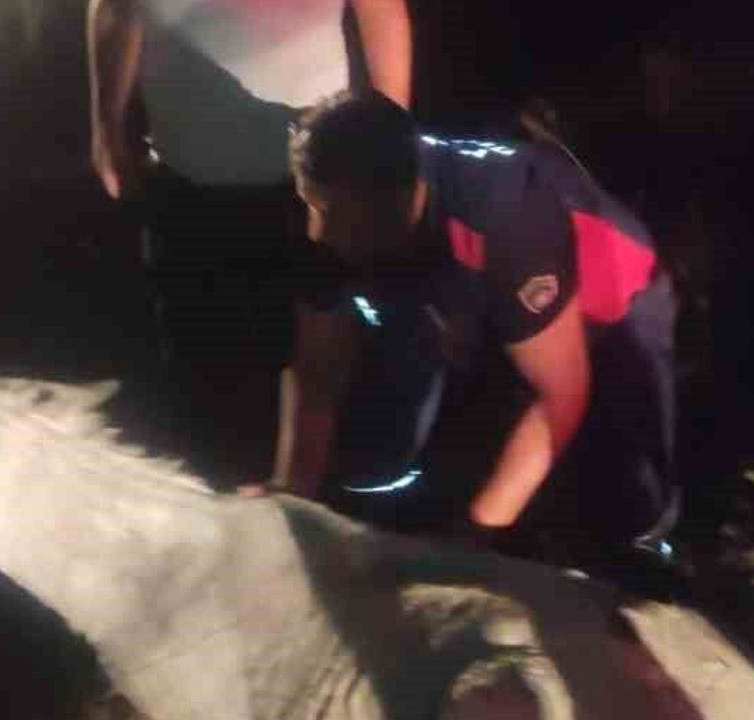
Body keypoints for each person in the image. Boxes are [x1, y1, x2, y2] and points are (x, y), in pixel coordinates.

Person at [277, 89, 679, 566]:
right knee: (388, 451)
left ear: (395, 199)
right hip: (459, 282)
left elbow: (561, 397)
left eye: (331, 213)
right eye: (311, 205)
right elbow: (318, 373)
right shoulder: (342, 221)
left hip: (609, 297)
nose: (318, 232)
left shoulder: (502, 215)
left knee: (623, 489)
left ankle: (648, 546)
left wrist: (470, 544)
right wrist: (291, 499)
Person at [86, 0, 411, 485]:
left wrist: (389, 147)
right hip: (186, 181)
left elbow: (381, 10)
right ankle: (220, 505)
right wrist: (107, 130)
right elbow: (117, 9)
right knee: (200, 379)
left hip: (316, 189)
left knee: (318, 369)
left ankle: (301, 509)